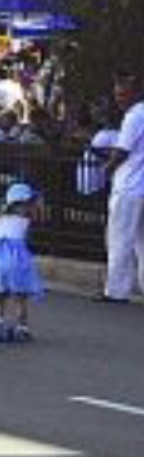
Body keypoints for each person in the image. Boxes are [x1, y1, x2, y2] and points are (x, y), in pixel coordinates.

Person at [0, 182, 46, 342]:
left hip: (0, 261)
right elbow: (39, 210)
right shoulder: (27, 219)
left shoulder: (1, 217)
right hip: (19, 263)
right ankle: (22, 327)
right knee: (20, 298)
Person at [102, 74, 144, 303]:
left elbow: (123, 150)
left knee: (119, 239)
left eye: (123, 94)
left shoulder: (133, 117)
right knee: (142, 241)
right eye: (117, 94)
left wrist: (107, 168)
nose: (119, 99)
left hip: (128, 186)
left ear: (136, 93)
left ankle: (116, 291)